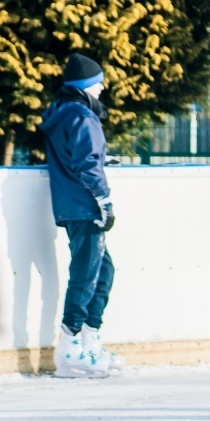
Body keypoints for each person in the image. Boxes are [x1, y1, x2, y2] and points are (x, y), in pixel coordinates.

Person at [40, 53, 125, 378]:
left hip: (71, 205)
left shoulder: (63, 112)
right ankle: (70, 345)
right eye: (98, 82)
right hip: (85, 206)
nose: (103, 88)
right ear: (86, 86)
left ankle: (89, 340)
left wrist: (105, 159)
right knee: (87, 274)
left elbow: (79, 155)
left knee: (103, 271)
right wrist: (104, 200)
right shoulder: (82, 115)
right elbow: (87, 164)